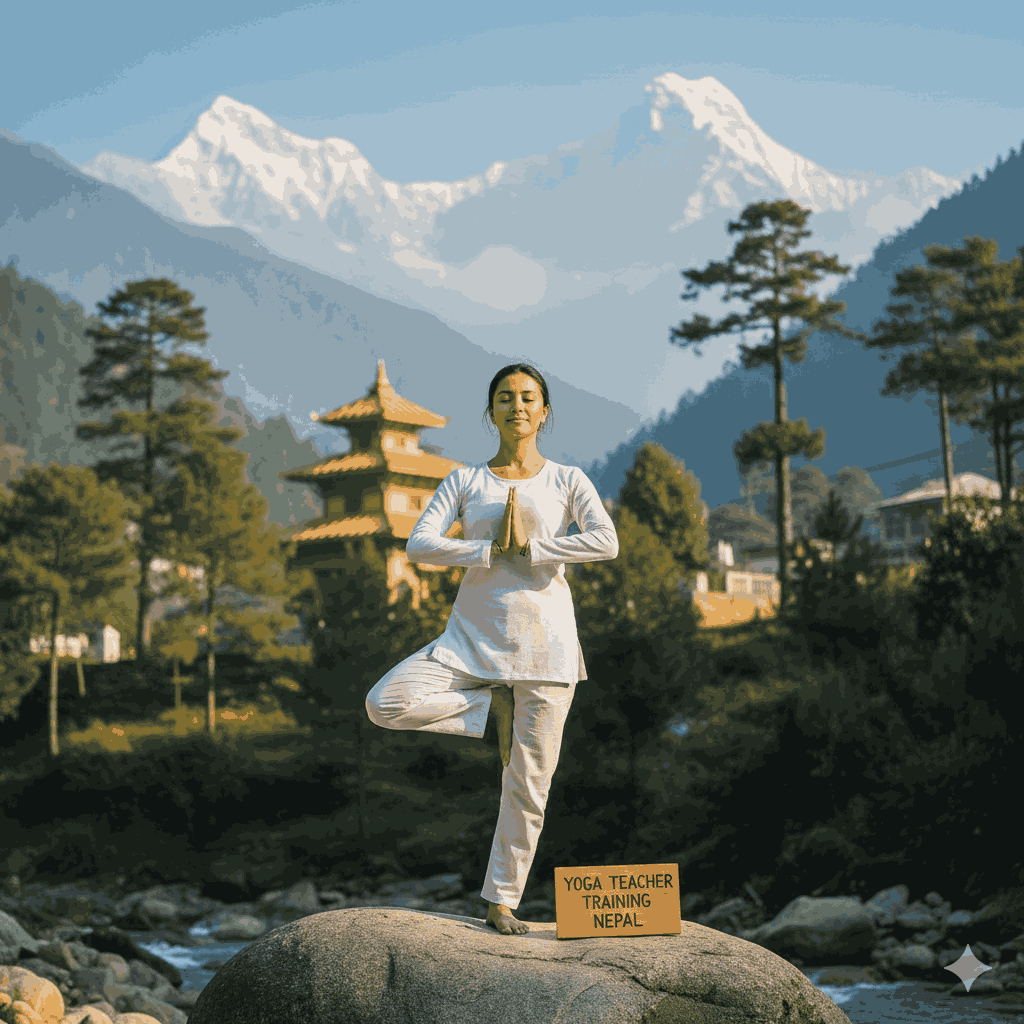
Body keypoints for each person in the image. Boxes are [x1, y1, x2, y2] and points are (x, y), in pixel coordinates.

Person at [365, 363, 619, 935]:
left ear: (545, 411)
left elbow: (606, 540)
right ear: (491, 412)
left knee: (529, 784)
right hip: (471, 640)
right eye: (505, 398)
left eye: (529, 397)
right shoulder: (465, 481)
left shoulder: (568, 480)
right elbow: (420, 543)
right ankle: (488, 711)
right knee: (386, 703)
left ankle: (502, 900)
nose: (518, 406)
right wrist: (483, 551)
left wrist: (534, 549)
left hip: (548, 648)